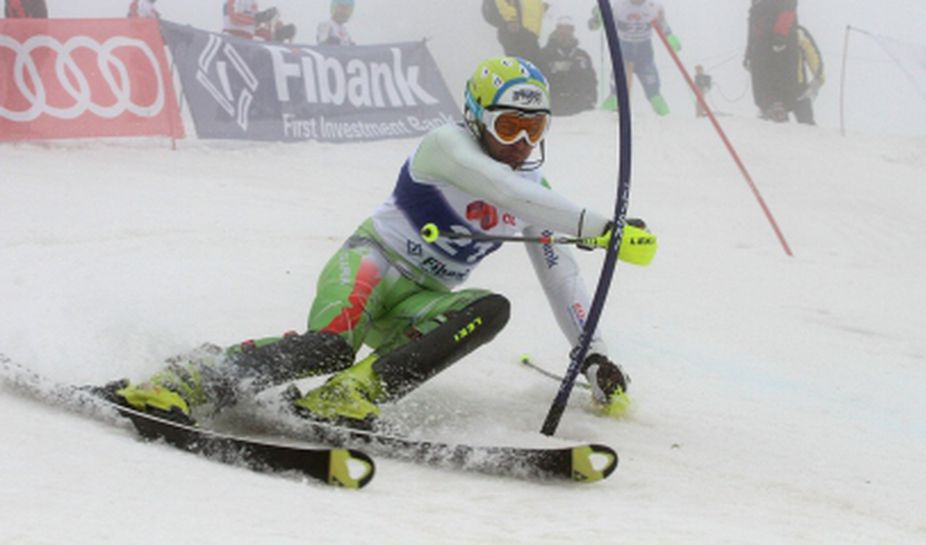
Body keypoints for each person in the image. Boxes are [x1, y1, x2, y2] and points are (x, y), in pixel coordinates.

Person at [103, 56, 658, 430]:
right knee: (327, 347)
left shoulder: (535, 196)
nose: (520, 144)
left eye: (534, 130)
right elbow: (500, 186)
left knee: (492, 309)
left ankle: (347, 396)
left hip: (418, 301)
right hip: (369, 267)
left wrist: (594, 356)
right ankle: (185, 379)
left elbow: (563, 278)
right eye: (510, 125)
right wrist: (604, 227)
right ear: (476, 116)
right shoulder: (446, 146)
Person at [590, 0, 681, 116]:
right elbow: (597, 25)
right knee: (616, 91)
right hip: (624, 52)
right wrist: (598, 17)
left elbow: (663, 25)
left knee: (653, 92)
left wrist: (671, 38)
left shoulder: (653, 8)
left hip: (644, 53)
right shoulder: (619, 7)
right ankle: (601, 119)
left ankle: (667, 117)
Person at [744, 0, 799, 122]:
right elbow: (753, 30)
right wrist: (748, 53)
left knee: (775, 77)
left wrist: (780, 36)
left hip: (775, 44)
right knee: (762, 78)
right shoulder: (756, 7)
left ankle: (777, 109)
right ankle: (768, 108)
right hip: (761, 45)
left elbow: (787, 10)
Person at [541, 17, 598, 116]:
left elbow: (591, 79)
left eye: (568, 29)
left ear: (573, 31)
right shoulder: (544, 54)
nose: (564, 32)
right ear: (556, 30)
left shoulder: (582, 55)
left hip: (580, 110)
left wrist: (591, 99)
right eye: (561, 28)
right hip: (552, 110)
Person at [482, 0, 548, 71]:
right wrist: (511, 18)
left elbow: (531, 7)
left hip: (530, 33)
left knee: (536, 68)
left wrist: (542, 9)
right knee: (523, 67)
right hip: (516, 29)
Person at [792, 24, 823, 125]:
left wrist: (819, 78)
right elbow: (813, 53)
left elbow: (812, 53)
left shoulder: (799, 32)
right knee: (807, 124)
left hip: (796, 86)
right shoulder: (799, 32)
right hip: (798, 85)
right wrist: (819, 78)